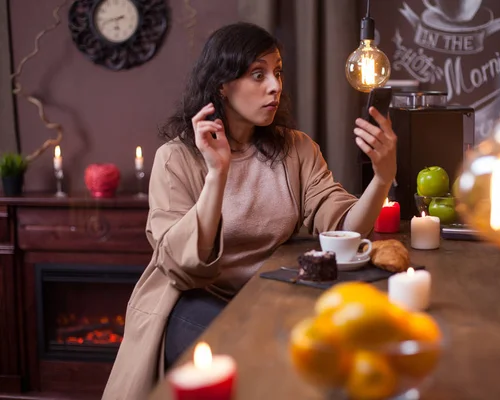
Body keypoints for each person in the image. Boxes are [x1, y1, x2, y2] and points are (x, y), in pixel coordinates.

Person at [102, 22, 397, 399]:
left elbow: (344, 226)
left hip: (267, 300)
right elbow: (181, 262)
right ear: (222, 85)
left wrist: (382, 178)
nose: (274, 86)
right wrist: (217, 173)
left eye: (276, 72)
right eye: (257, 74)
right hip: (189, 299)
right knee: (261, 364)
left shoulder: (296, 149)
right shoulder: (175, 158)